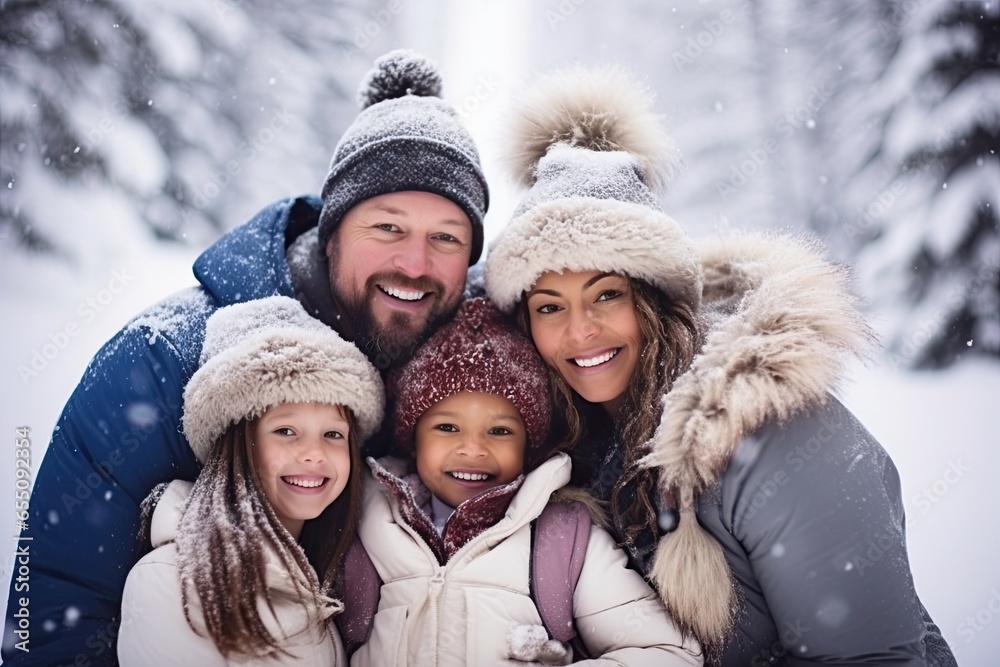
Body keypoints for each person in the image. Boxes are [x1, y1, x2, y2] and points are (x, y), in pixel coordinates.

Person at [2, 49, 488, 666]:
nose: (415, 264)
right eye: (387, 228)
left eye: (445, 238)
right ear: (332, 229)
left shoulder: (480, 374)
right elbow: (53, 610)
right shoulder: (164, 359)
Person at [484, 67, 957, 666]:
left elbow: (872, 658)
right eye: (550, 307)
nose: (580, 331)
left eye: (607, 295)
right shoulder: (577, 443)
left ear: (652, 299)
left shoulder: (776, 429)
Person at [344, 297, 703, 666]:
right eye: (447, 427)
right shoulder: (366, 528)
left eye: (499, 431)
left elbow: (667, 653)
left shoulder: (560, 540)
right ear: (413, 441)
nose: (473, 448)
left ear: (528, 448)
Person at [117, 296, 383, 665]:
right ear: (237, 445)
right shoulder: (172, 585)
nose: (314, 454)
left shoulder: (336, 574)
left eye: (333, 435)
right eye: (286, 430)